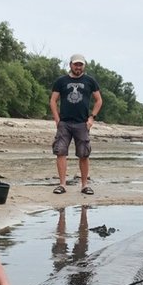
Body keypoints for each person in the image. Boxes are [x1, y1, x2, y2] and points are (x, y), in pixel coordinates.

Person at [50, 53, 103, 195]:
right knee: (60, 152)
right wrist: (57, 119)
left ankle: (84, 185)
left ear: (84, 66)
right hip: (64, 123)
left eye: (80, 64)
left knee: (84, 154)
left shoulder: (90, 81)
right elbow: (53, 100)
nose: (78, 67)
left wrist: (92, 118)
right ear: (70, 65)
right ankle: (62, 184)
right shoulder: (61, 81)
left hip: (82, 123)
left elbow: (99, 100)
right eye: (76, 64)